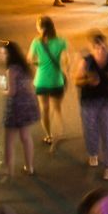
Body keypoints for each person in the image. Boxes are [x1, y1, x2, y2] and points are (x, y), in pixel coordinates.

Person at [77, 34, 108, 181]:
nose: (100, 51)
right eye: (96, 48)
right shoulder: (86, 62)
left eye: (102, 47)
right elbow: (76, 79)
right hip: (89, 101)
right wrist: (87, 79)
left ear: (106, 46)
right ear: (92, 49)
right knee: (90, 130)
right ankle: (93, 153)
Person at [0, 41, 39, 178]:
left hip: (15, 107)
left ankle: (8, 169)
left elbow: (11, 92)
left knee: (9, 140)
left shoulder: (11, 70)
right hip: (27, 105)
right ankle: (29, 167)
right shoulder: (25, 67)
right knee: (26, 137)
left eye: (3, 53)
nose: (1, 56)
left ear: (9, 54)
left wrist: (0, 90)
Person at [29, 16, 70, 152]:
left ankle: (49, 136)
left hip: (41, 81)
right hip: (56, 81)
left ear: (40, 28)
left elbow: (29, 59)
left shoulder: (36, 42)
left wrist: (39, 63)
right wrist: (65, 70)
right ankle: (60, 132)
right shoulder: (61, 41)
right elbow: (66, 60)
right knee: (57, 108)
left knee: (44, 109)